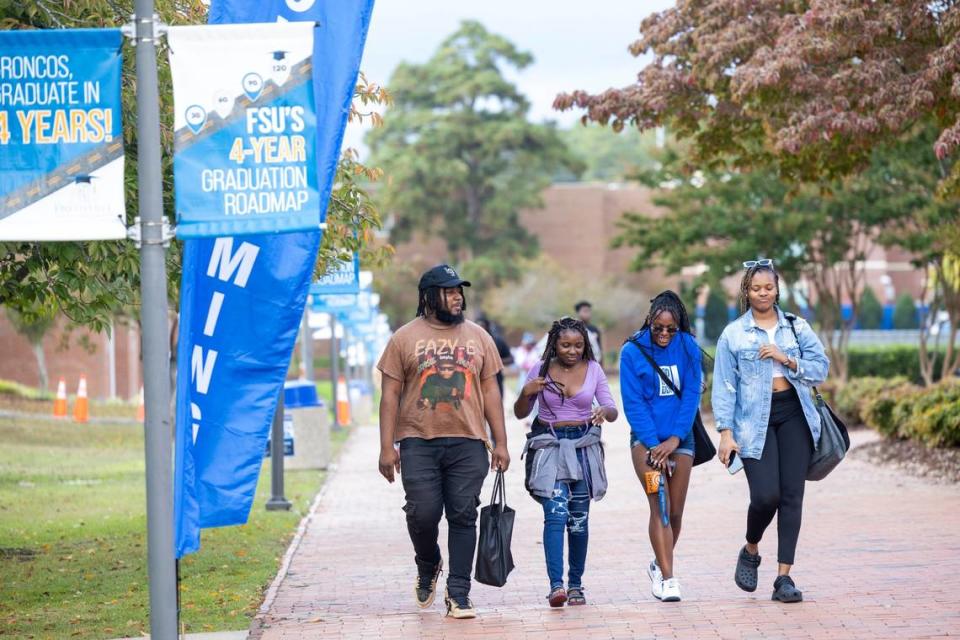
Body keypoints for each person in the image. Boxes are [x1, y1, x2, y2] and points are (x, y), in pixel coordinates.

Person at [377, 264, 511, 620]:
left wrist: (500, 441)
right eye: (449, 291)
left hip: (469, 441)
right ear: (428, 297)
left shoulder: (479, 337)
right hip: (418, 440)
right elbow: (389, 394)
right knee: (422, 514)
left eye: (459, 291)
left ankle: (459, 593)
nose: (457, 297)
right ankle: (428, 562)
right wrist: (386, 446)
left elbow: (490, 391)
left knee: (463, 515)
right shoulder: (403, 338)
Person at [712, 259, 830, 603]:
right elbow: (724, 385)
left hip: (794, 414)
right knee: (766, 496)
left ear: (777, 288)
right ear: (746, 292)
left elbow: (820, 368)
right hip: (752, 422)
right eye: (756, 288)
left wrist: (788, 359)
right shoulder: (733, 334)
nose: (763, 293)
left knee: (792, 496)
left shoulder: (795, 327)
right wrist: (725, 431)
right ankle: (751, 547)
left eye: (769, 287)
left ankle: (784, 578)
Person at [514, 317, 618, 608]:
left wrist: (603, 412)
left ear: (585, 345)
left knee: (579, 522)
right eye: (565, 345)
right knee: (555, 516)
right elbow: (520, 411)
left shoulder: (594, 369)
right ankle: (556, 586)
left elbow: (611, 408)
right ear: (554, 345)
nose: (572, 350)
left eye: (578, 345)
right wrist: (527, 391)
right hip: (550, 447)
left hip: (584, 448)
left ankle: (576, 586)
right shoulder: (541, 369)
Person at [619, 291, 703, 603]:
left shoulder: (688, 346)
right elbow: (633, 403)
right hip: (646, 443)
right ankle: (668, 579)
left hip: (680, 441)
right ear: (650, 322)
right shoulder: (632, 350)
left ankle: (658, 563)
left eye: (671, 329)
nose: (665, 334)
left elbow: (692, 394)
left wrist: (675, 439)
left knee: (677, 512)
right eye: (658, 328)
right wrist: (655, 445)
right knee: (661, 505)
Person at [476, 313, 514, 399]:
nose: (480, 329)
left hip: (495, 381)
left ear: (488, 327)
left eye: (482, 326)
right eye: (477, 327)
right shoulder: (470, 342)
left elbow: (511, 359)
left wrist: (494, 361)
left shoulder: (497, 341)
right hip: (476, 383)